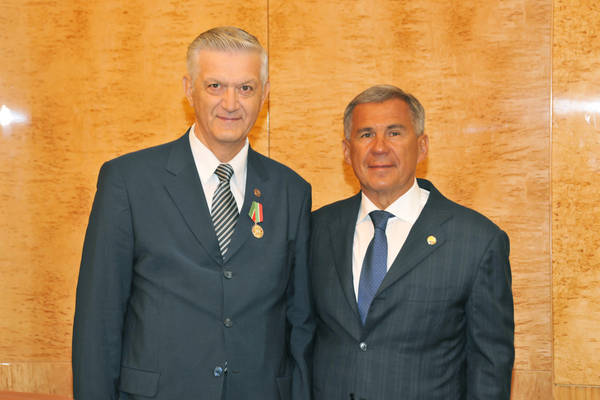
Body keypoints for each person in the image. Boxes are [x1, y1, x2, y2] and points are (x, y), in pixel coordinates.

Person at [72, 26, 313, 400]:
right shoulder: (128, 181)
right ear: (189, 90)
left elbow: (301, 323)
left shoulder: (291, 192)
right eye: (215, 86)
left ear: (265, 95)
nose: (230, 103)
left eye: (246, 88)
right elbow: (97, 321)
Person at [310, 84, 514, 399]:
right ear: (347, 151)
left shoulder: (476, 242)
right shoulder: (316, 230)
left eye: (394, 133)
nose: (379, 147)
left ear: (422, 146)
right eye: (366, 134)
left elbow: (490, 371)